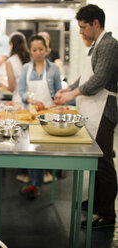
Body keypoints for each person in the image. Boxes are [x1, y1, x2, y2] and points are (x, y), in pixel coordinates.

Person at [54, 4, 118, 229]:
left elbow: (99, 79)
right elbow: (85, 77)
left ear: (95, 24)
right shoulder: (96, 46)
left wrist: (71, 94)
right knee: (95, 158)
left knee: (103, 162)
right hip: (92, 109)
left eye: (83, 27)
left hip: (104, 109)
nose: (80, 32)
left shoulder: (110, 44)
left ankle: (108, 215)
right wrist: (68, 88)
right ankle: (97, 202)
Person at [18, 35, 62, 198]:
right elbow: (21, 91)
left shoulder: (54, 69)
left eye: (41, 49)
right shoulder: (25, 69)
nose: (38, 53)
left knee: (43, 149)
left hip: (47, 115)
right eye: (34, 50)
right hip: (29, 115)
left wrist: (58, 100)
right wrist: (30, 100)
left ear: (46, 50)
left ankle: (39, 181)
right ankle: (34, 183)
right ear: (30, 51)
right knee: (30, 150)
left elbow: (58, 91)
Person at [5, 32, 30, 103]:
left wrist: (3, 86)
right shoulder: (31, 58)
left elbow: (12, 87)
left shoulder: (10, 61)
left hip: (18, 100)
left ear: (11, 44)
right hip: (33, 99)